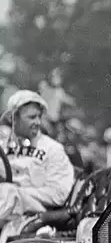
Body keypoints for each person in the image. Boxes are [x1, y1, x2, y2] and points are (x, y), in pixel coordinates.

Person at [0, 90, 75, 223]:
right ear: (14, 118)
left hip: (36, 214)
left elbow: (59, 194)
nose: (38, 122)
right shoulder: (3, 145)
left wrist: (19, 192)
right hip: (6, 206)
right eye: (32, 117)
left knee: (9, 192)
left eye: (39, 117)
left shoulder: (53, 149)